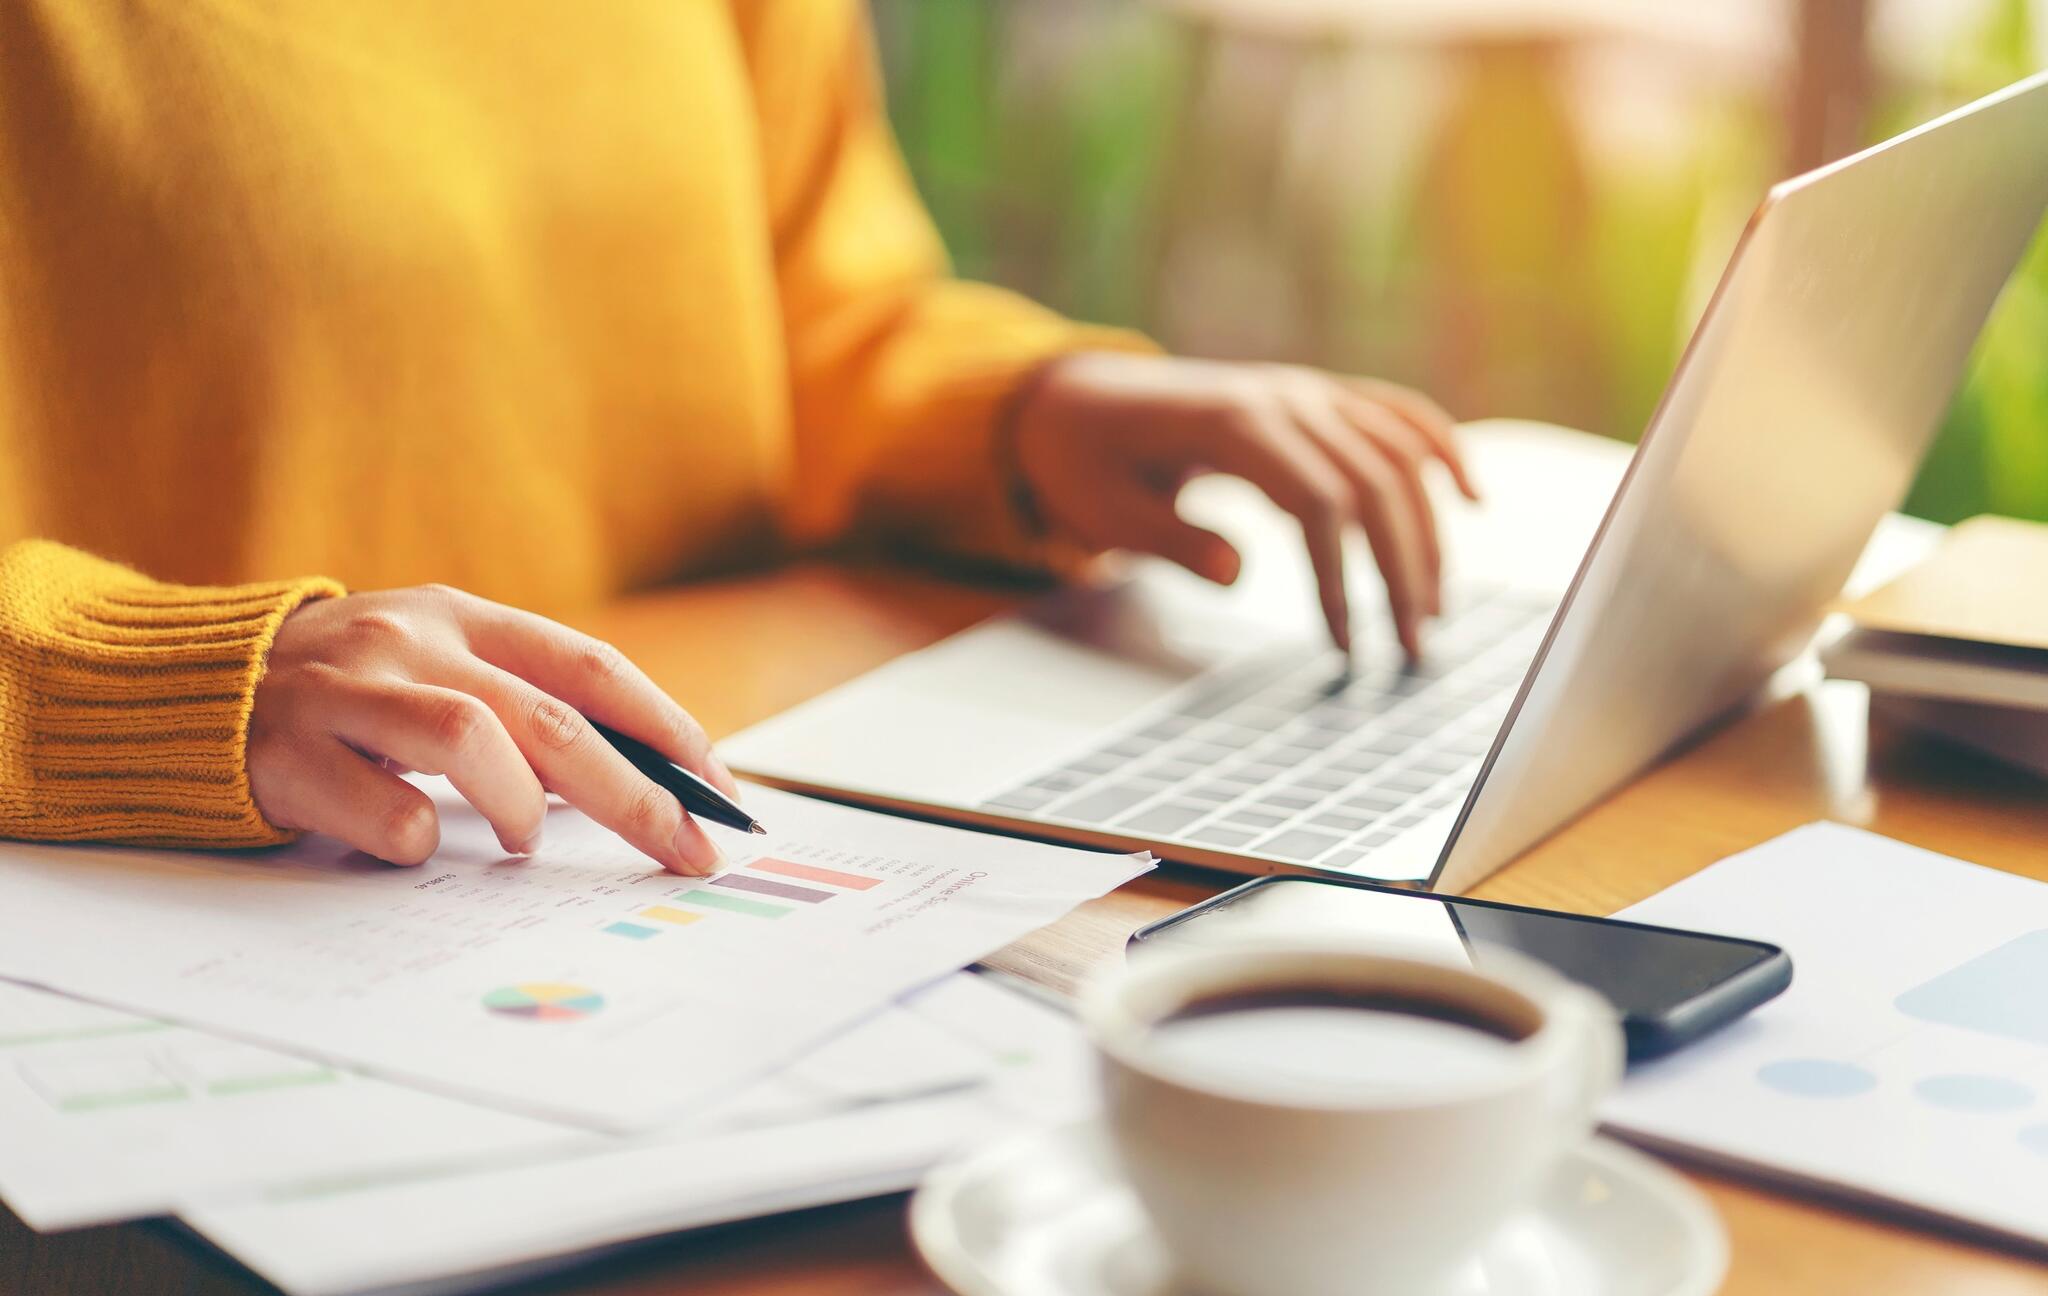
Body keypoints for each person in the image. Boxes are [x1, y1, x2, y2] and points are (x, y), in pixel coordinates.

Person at [0, 1, 1471, 875]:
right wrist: (174, 678)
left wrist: (1025, 410)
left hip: (682, 845)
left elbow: (813, 304)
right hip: (227, 936)